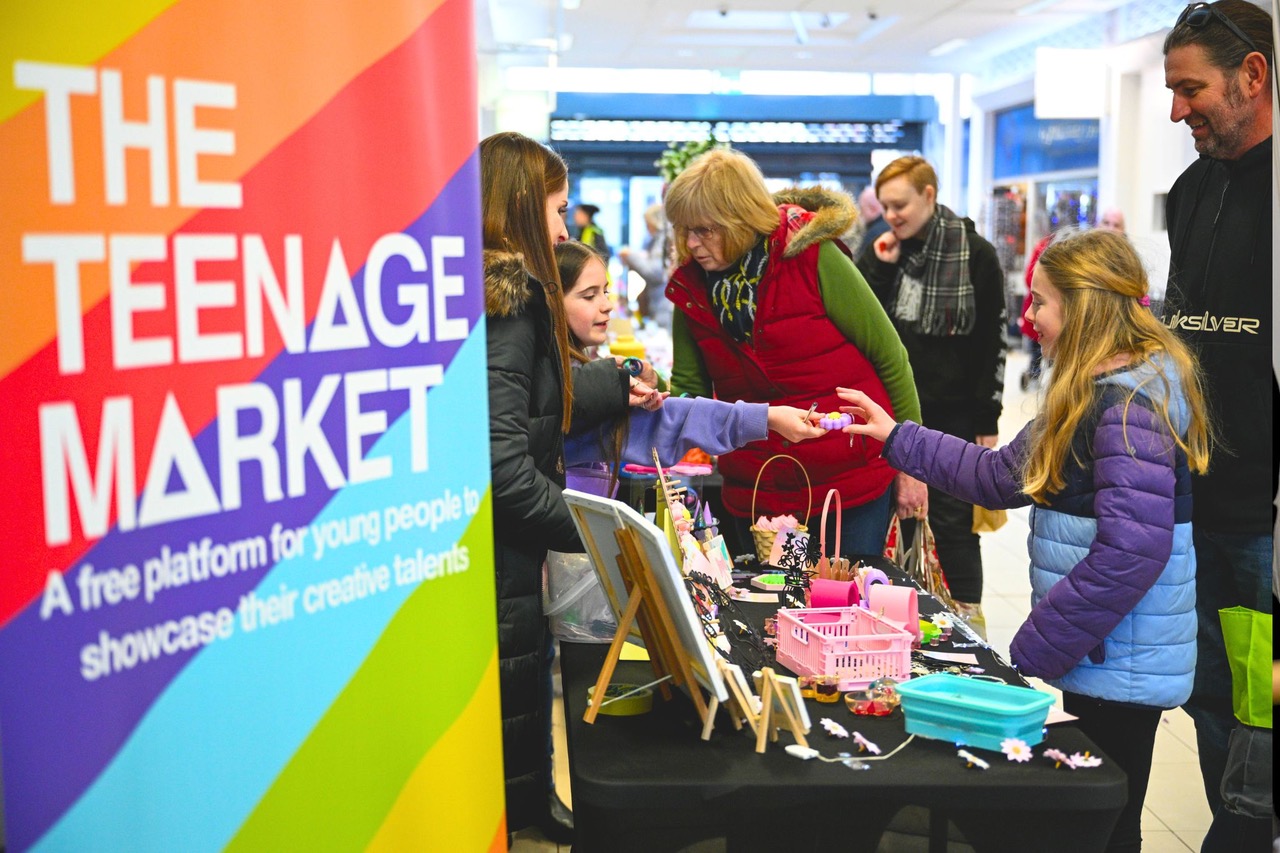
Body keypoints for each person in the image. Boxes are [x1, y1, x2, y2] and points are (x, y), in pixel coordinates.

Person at [840, 227, 1211, 853]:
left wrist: (1037, 648)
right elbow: (995, 475)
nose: (1028, 316)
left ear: (1084, 307)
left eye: (1040, 301)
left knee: (1104, 817)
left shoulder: (1126, 411)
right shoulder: (1090, 395)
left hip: (1118, 662)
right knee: (1100, 814)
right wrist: (894, 435)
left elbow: (1131, 553)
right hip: (1101, 653)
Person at [479, 131, 659, 842]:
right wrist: (593, 531)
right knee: (517, 702)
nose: (563, 227)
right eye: (556, 209)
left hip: (498, 552)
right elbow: (505, 465)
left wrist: (614, 380)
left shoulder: (491, 294)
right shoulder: (515, 299)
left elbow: (521, 396)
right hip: (507, 554)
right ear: (523, 206)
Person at [663, 148, 923, 560]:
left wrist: (912, 463)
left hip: (849, 481)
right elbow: (689, 390)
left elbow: (889, 357)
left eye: (705, 230)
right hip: (757, 490)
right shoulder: (692, 290)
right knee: (768, 617)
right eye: (684, 231)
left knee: (844, 609)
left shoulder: (811, 256)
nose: (692, 244)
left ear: (740, 219)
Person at [1162, 2, 1274, 847]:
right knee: (1210, 703)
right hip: (1197, 506)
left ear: (1253, 76)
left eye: (1190, 89)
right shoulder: (1194, 189)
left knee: (1260, 716)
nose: (1177, 110)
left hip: (1263, 529)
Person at [855, 156, 1006, 632]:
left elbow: (990, 342)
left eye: (900, 205)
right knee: (891, 518)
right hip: (890, 412)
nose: (892, 216)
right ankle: (893, 622)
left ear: (928, 195)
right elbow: (862, 322)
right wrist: (878, 267)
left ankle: (967, 630)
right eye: (885, 206)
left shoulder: (974, 254)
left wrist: (988, 419)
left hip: (954, 414)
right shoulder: (880, 250)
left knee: (953, 522)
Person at [556, 239, 824, 495]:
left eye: (605, 291)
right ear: (553, 301)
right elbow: (668, 419)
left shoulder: (572, 371)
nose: (607, 305)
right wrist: (768, 418)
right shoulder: (564, 384)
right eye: (589, 296)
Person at [619, 203, 674, 330]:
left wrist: (631, 256)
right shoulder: (657, 240)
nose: (647, 227)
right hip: (659, 303)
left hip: (663, 305)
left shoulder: (663, 240)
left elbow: (655, 271)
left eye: (647, 223)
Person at [855, 184, 891, 259]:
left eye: (862, 209)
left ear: (873, 209)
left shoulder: (873, 234)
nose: (860, 214)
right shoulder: (891, 225)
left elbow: (860, 266)